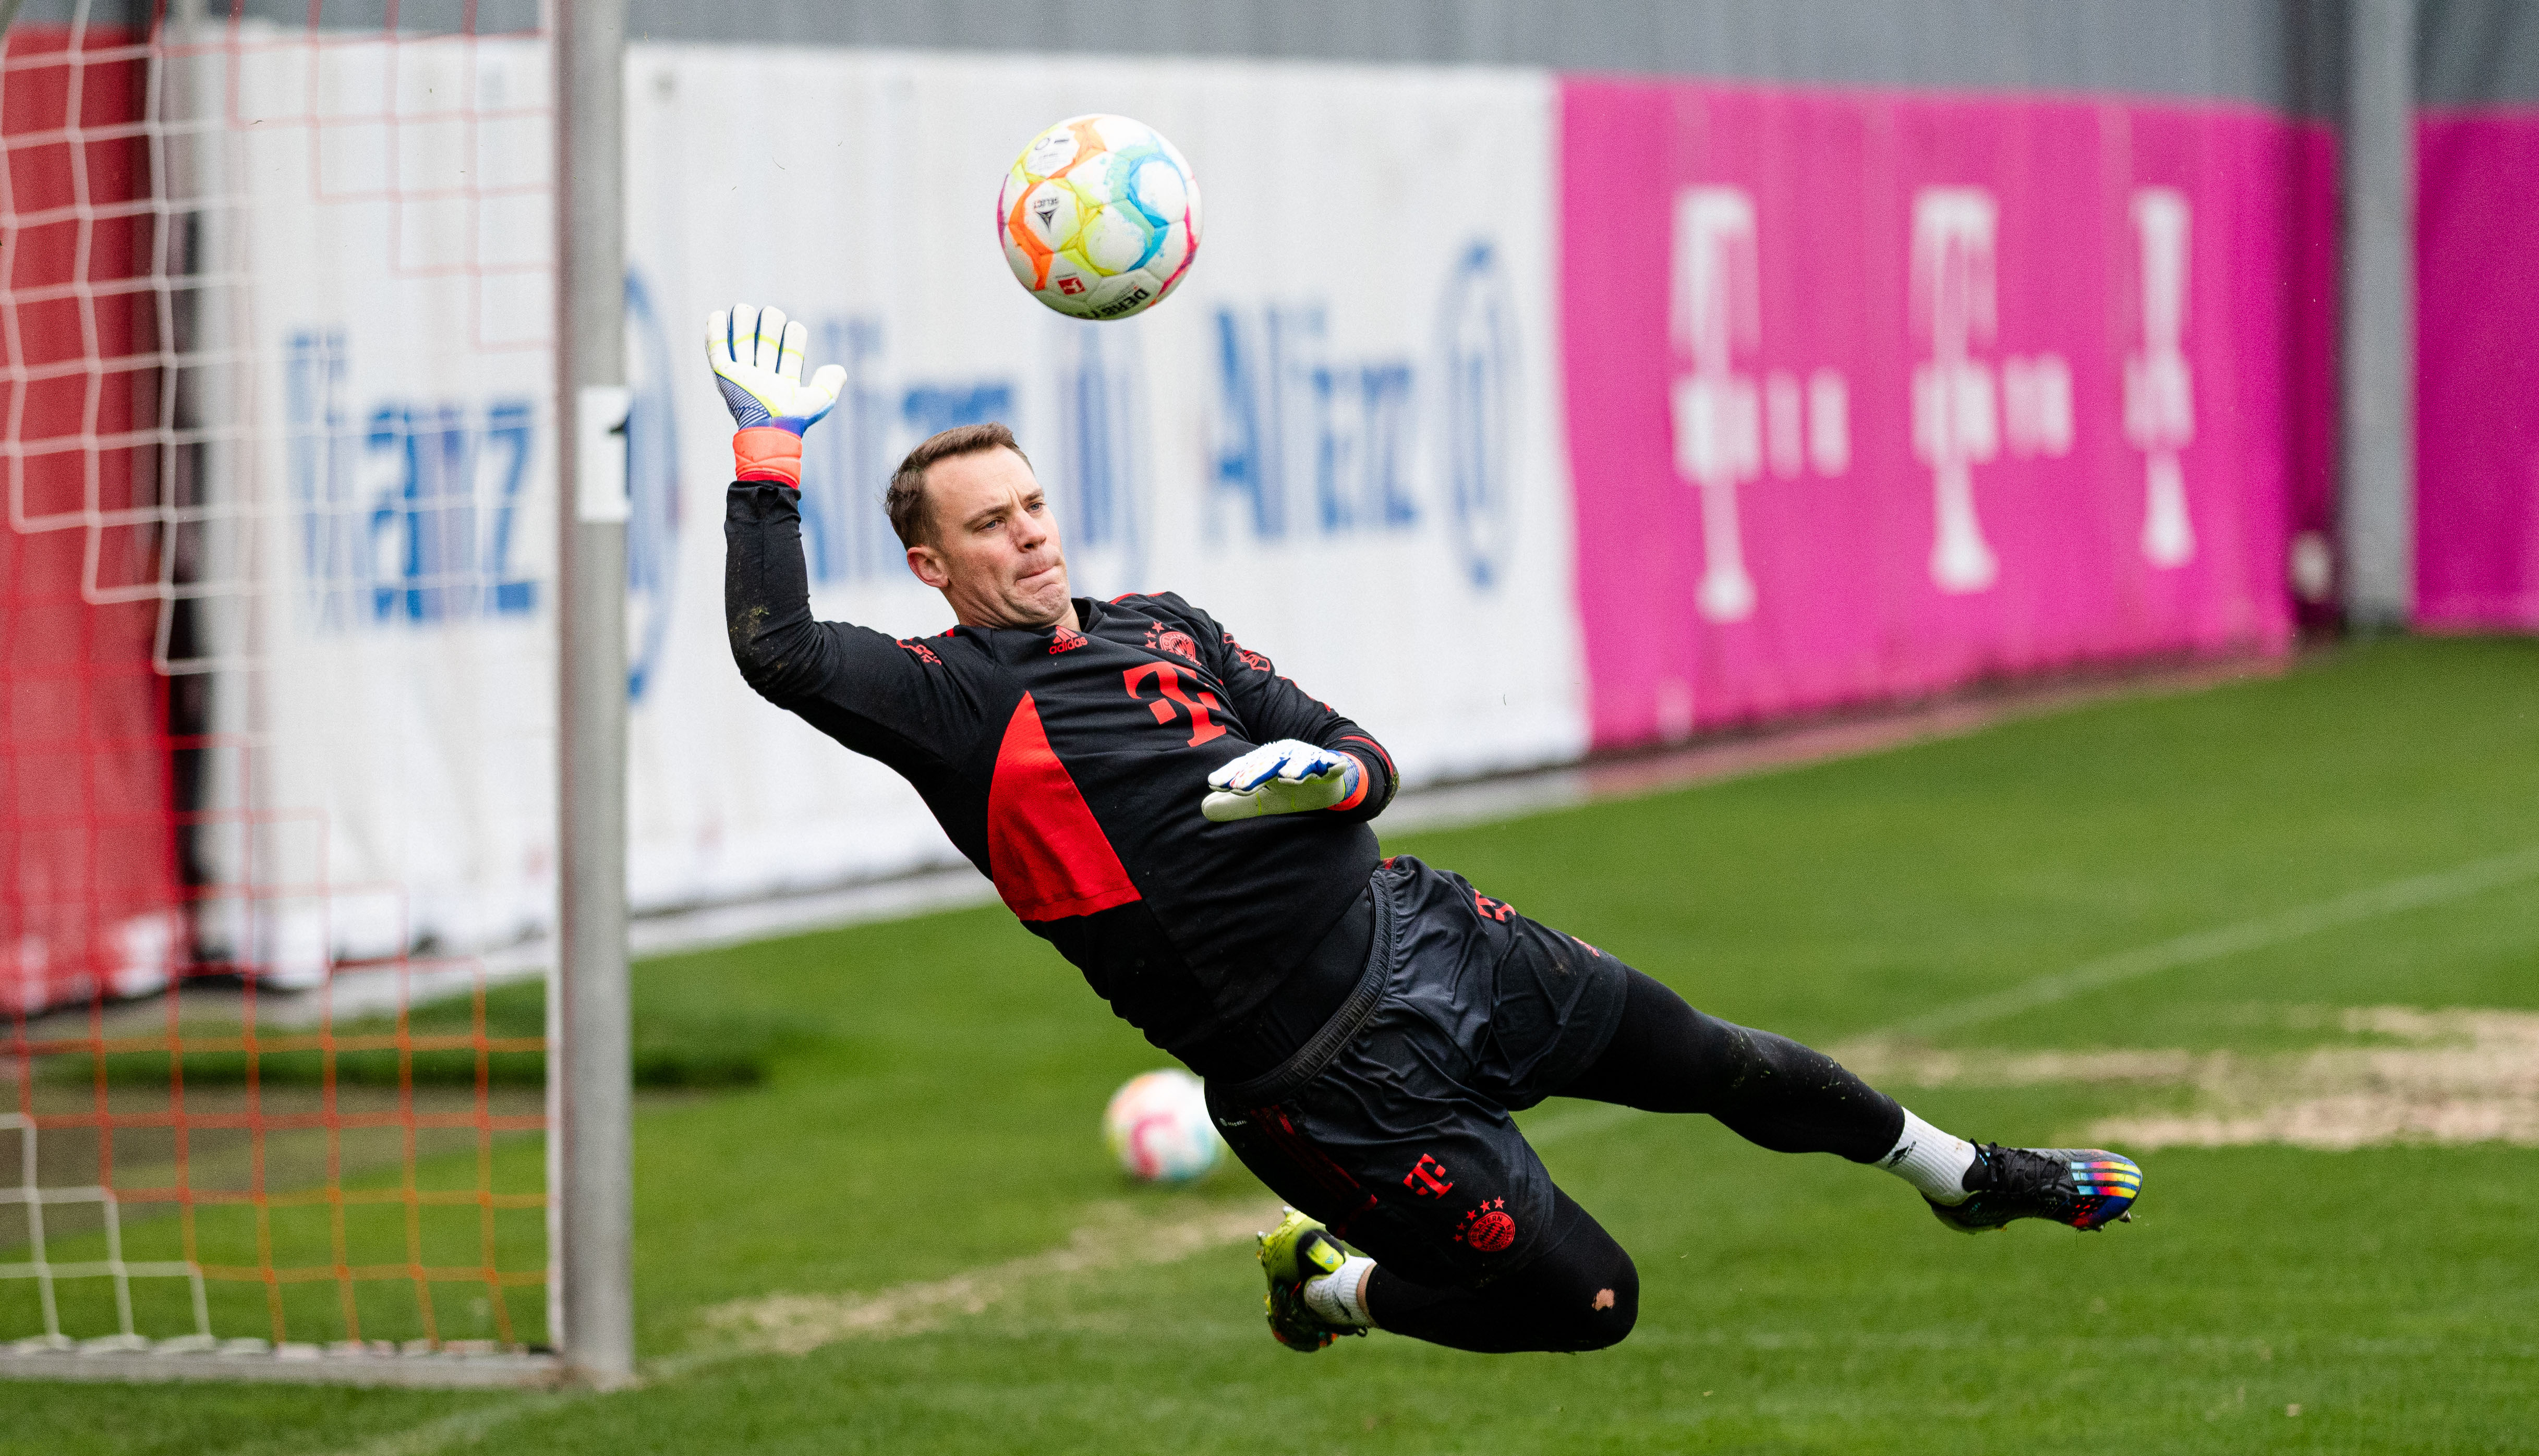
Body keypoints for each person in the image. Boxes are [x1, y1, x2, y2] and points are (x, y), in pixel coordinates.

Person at [708, 304, 2142, 1356]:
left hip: (1432, 937)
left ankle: (1962, 1176)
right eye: (990, 526)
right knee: (1590, 1306)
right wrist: (766, 455)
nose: (1029, 536)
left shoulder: (1164, 626)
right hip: (1320, 1081)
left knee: (1713, 1059)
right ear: (931, 565)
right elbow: (777, 654)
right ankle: (1325, 1285)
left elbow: (1363, 755)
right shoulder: (950, 701)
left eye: (1033, 506)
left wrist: (1323, 783)